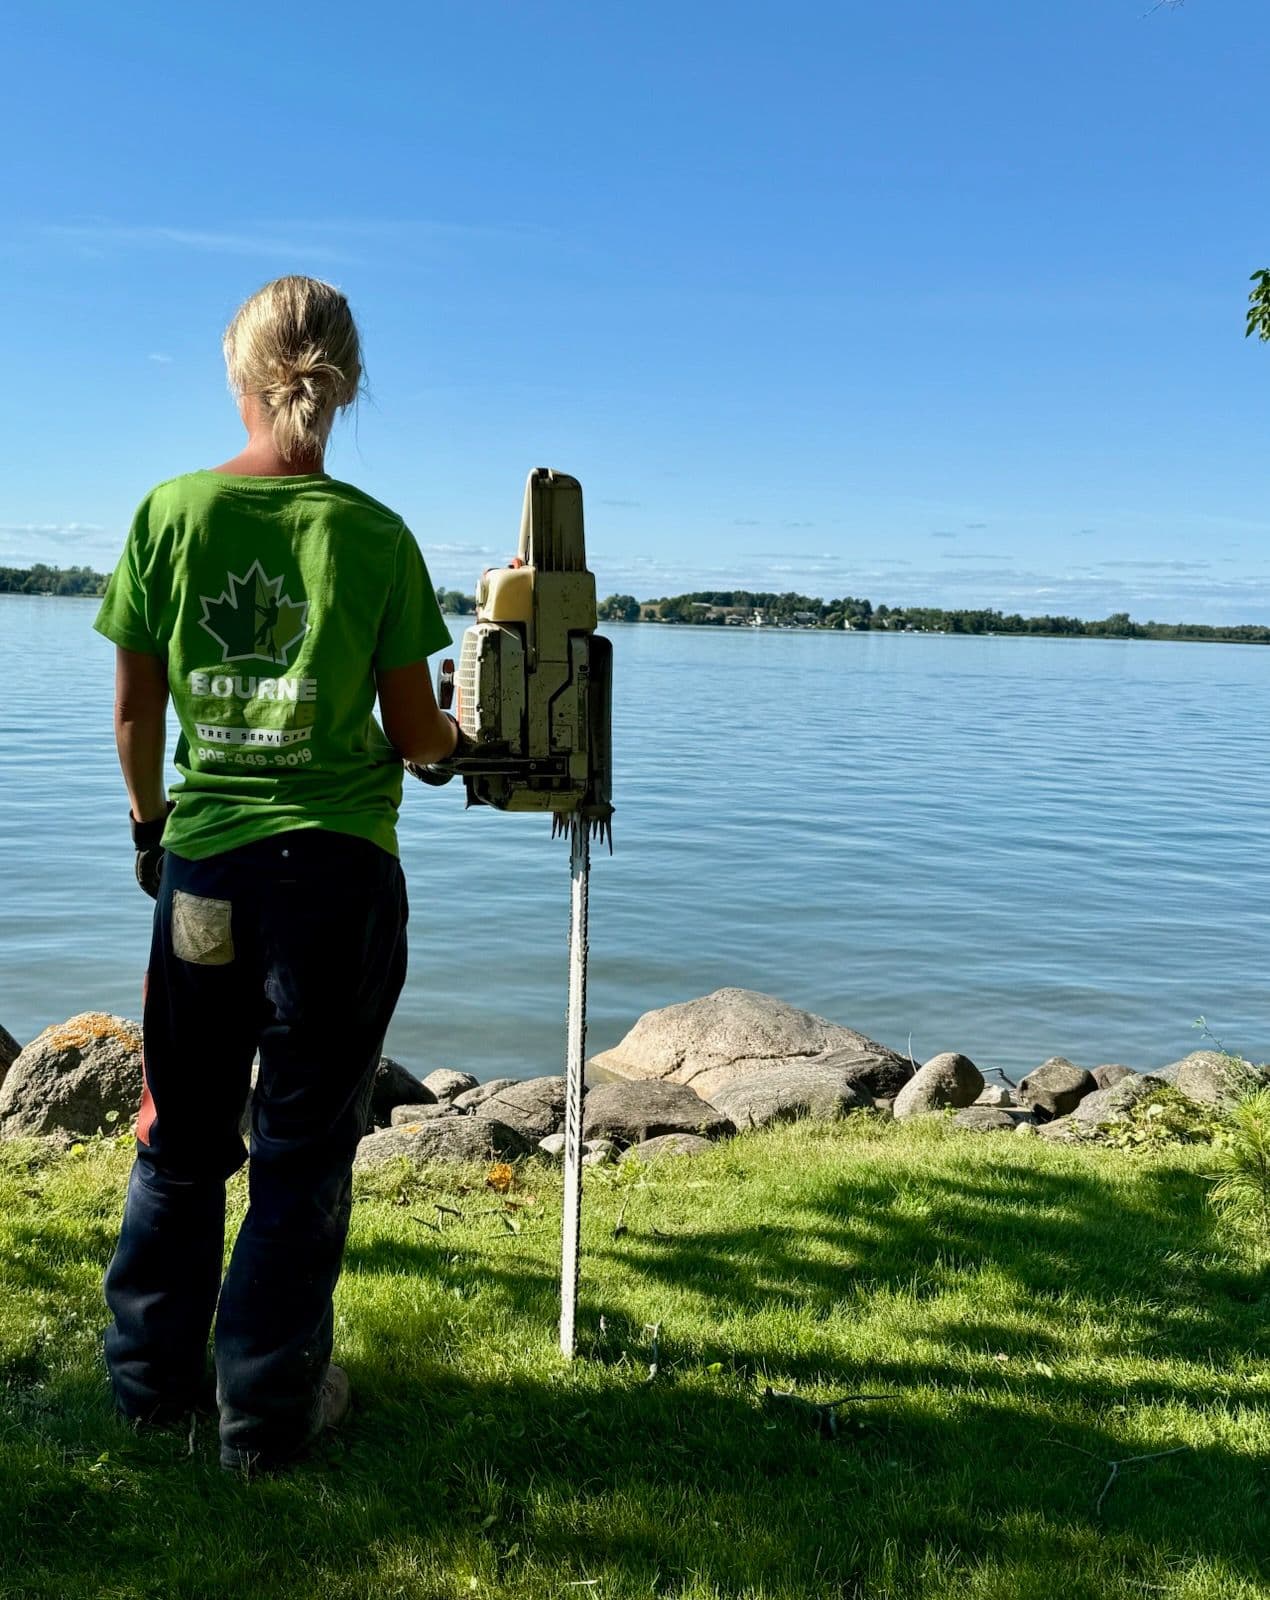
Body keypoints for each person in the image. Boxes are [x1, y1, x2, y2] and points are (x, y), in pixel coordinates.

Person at [93, 275, 459, 1473]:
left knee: (182, 1137)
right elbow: (415, 735)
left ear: (240, 376)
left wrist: (155, 826)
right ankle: (265, 1409)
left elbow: (136, 716)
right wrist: (456, 742)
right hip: (337, 885)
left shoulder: (170, 513)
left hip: (205, 874)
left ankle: (149, 1387)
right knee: (301, 1150)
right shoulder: (375, 536)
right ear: (343, 386)